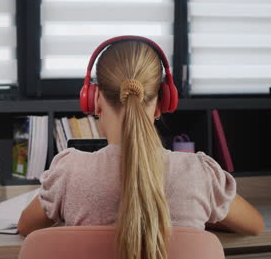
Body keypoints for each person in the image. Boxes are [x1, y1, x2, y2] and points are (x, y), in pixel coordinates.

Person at [17, 37, 264, 259]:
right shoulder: (199, 174)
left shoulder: (69, 171)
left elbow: (26, 226)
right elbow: (254, 226)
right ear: (163, 103)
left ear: (94, 99)